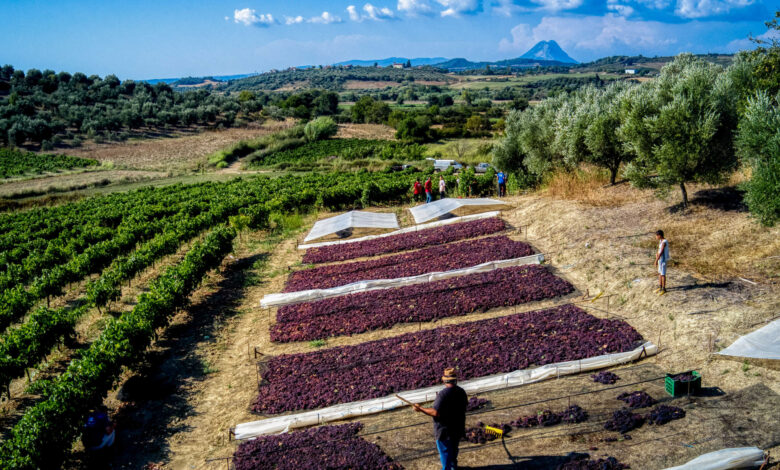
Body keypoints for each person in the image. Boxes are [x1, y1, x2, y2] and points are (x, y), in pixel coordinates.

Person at [413, 368, 468, 470]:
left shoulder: (443, 394)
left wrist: (420, 408)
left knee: (445, 454)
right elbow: (464, 407)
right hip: (458, 427)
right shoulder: (461, 392)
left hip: (444, 431)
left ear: (444, 381)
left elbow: (435, 412)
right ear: (456, 380)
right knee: (453, 451)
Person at [654, 230, 670, 295]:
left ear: (660, 235)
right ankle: (660, 287)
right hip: (660, 260)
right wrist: (656, 255)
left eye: (656, 236)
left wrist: (656, 260)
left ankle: (664, 288)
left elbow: (661, 252)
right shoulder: (660, 242)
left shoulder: (664, 242)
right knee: (660, 273)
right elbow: (659, 251)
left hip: (663, 260)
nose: (656, 237)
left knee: (663, 274)